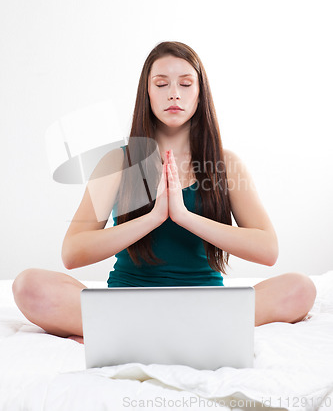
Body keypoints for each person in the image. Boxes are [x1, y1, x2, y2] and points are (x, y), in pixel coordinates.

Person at [12, 41, 316, 343]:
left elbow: (267, 249)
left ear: (200, 95)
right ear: (147, 92)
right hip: (129, 303)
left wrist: (183, 216)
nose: (174, 93)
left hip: (205, 304)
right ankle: (178, 333)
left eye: (185, 84)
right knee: (29, 285)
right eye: (161, 84)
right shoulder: (117, 162)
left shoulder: (225, 164)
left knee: (300, 288)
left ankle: (142, 334)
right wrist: (154, 217)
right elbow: (73, 252)